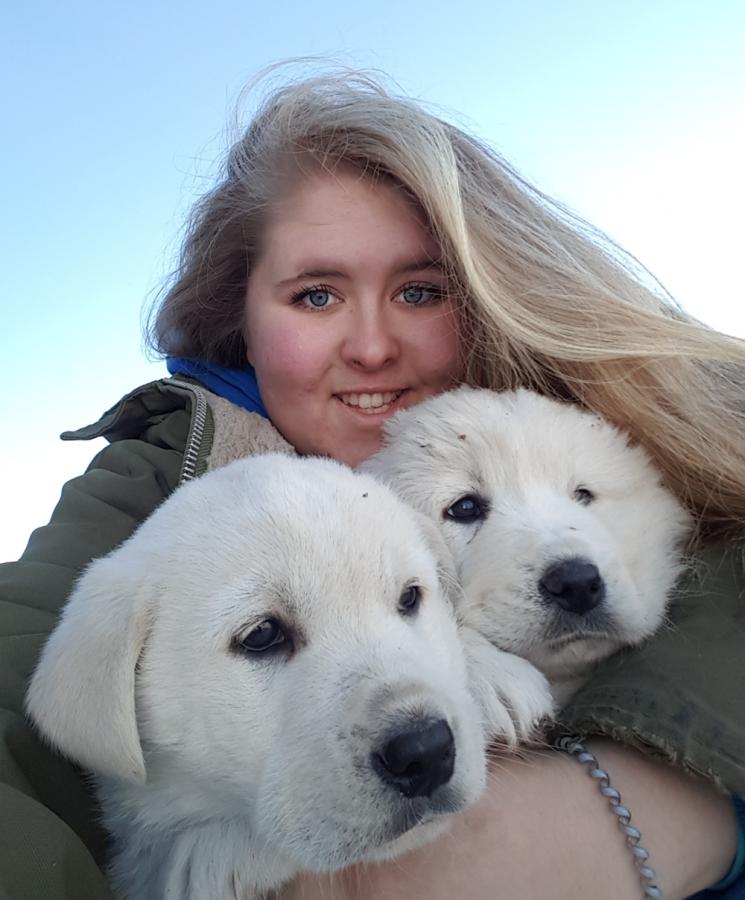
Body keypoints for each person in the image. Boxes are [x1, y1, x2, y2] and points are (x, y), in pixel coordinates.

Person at [2, 67, 745, 900]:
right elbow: (17, 684)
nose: (370, 346)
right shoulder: (159, 475)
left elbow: (718, 523)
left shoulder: (572, 414)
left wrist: (676, 797)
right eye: (315, 294)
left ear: (488, 291)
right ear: (238, 321)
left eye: (419, 290)